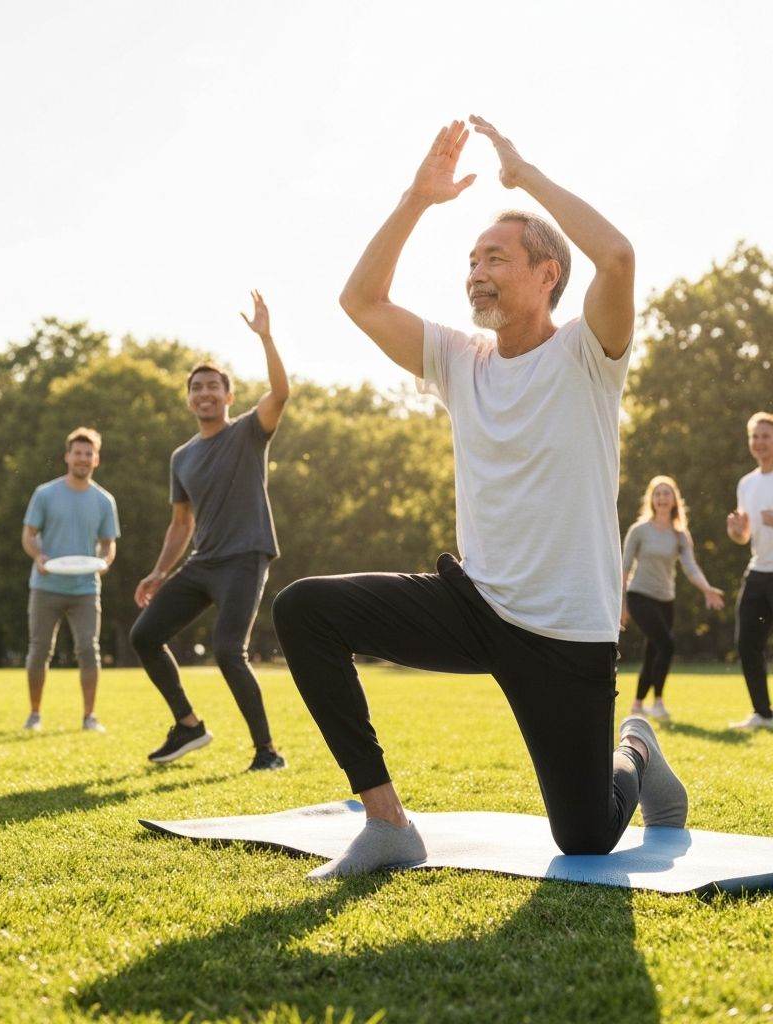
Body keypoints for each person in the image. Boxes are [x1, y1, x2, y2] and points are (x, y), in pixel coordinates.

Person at [272, 116, 688, 879]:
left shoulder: (589, 354)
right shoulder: (459, 360)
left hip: (566, 631)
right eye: (470, 261)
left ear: (547, 274)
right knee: (305, 609)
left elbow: (620, 255)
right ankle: (388, 822)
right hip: (473, 605)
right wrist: (415, 199)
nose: (476, 272)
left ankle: (636, 748)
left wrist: (524, 176)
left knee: (587, 836)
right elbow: (361, 301)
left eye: (495, 257)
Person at [130, 290, 289, 771]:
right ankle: (189, 725)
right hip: (202, 563)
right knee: (144, 635)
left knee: (226, 649)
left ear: (228, 396)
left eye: (213, 387)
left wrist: (266, 337)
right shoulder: (182, 456)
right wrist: (159, 573)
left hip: (245, 556)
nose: (205, 394)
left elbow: (280, 394)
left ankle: (268, 752)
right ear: (189, 399)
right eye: (196, 388)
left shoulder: (247, 432)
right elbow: (181, 523)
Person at [21, 427, 119, 732]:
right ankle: (35, 715)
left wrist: (105, 561)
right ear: (67, 456)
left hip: (85, 588)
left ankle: (90, 717)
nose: (83, 458)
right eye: (78, 453)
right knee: (39, 650)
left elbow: (108, 543)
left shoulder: (104, 501)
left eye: (88, 454)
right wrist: (39, 557)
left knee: (89, 650)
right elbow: (29, 535)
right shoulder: (45, 493)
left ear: (96, 459)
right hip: (46, 585)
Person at [621, 475, 724, 720]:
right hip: (639, 595)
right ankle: (658, 702)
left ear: (674, 499)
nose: (662, 498)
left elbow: (691, 567)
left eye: (667, 493)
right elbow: (623, 570)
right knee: (666, 644)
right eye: (658, 493)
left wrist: (707, 588)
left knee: (653, 649)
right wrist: (621, 604)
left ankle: (637, 704)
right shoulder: (639, 531)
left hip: (665, 599)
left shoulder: (680, 535)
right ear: (651, 500)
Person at [726, 411, 773, 729]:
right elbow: (744, 537)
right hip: (757, 571)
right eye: (754, 436)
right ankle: (763, 714)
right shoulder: (746, 484)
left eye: (765, 436)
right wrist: (735, 530)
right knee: (747, 642)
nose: (759, 442)